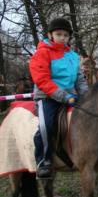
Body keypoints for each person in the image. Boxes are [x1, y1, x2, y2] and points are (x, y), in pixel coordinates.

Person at [29, 17, 88, 179]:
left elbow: (80, 79)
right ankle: (43, 161)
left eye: (66, 35)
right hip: (48, 97)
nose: (63, 38)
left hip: (71, 96)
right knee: (46, 125)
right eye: (59, 34)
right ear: (50, 35)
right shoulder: (41, 53)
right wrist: (65, 97)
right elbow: (42, 80)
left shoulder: (74, 56)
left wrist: (86, 96)